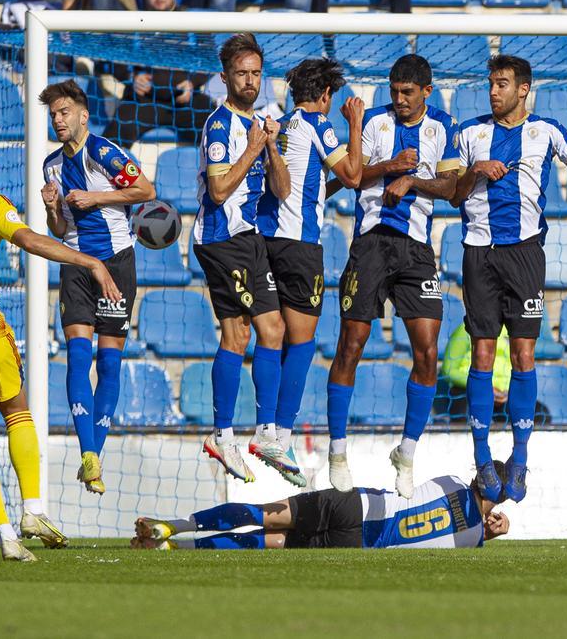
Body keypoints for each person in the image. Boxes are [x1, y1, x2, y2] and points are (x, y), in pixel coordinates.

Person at [0, 127, 123, 560]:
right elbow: (31, 240)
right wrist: (88, 260)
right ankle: (32, 509)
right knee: (16, 411)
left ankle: (5, 537)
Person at [451, 53, 567, 503]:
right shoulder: (469, 134)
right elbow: (451, 194)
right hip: (478, 253)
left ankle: (519, 460)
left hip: (525, 256)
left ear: (523, 89)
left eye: (502, 83)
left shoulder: (547, 130)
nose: (493, 91)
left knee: (523, 354)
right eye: (490, 84)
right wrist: (473, 173)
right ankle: (483, 458)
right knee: (482, 354)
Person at [326, 54, 457, 499]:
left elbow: (454, 189)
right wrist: (391, 168)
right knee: (351, 345)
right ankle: (338, 450)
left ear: (427, 92)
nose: (398, 100)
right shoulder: (372, 121)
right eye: (394, 91)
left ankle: (407, 452)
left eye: (407, 93)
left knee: (427, 352)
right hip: (369, 244)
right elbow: (352, 176)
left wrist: (414, 181)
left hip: (417, 252)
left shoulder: (443, 126)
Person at [39, 79, 155, 495]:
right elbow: (58, 228)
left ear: (83, 115)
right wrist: (52, 208)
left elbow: (146, 190)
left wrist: (95, 198)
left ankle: (95, 457)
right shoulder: (51, 165)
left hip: (118, 264)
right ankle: (88, 453)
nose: (58, 120)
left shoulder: (104, 152)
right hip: (76, 266)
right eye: (53, 114)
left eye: (64, 112)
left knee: (108, 365)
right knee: (76, 358)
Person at [255, 57, 363, 486]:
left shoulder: (280, 127)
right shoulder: (319, 123)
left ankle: (265, 428)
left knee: (271, 334)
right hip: (299, 246)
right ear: (324, 97)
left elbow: (310, 181)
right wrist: (353, 124)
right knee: (302, 341)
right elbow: (352, 175)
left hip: (266, 241)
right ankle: (279, 436)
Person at [193, 33, 291, 483]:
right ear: (225, 77)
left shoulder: (259, 122)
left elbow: (281, 190)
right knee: (273, 329)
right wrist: (254, 145)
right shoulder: (220, 126)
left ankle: (224, 434)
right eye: (240, 73)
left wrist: (269, 146)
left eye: (255, 73)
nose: (249, 81)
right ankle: (267, 431)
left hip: (240, 237)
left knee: (237, 336)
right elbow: (217, 190)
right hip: (225, 235)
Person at [130, 463, 510, 550]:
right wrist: (491, 533)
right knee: (271, 541)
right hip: (357, 544)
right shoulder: (474, 538)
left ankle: (177, 526)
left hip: (356, 505)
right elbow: (456, 533)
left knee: (263, 511)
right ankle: (174, 547)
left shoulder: (452, 482)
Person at [101, 0, 213, 147]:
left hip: (185, 101)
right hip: (144, 102)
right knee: (114, 136)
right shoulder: (132, 23)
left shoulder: (192, 22)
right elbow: (114, 62)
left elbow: (211, 60)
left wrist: (192, 83)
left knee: (216, 127)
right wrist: (132, 78)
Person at [438, 323, 510, 419]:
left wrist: (508, 391)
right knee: (463, 402)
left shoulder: (511, 331)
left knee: (532, 409)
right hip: (470, 389)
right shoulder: (466, 328)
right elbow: (448, 370)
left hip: (504, 395)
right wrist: (485, 387)